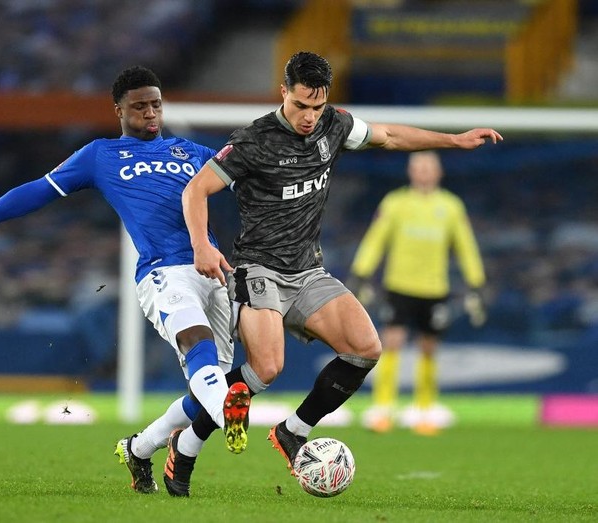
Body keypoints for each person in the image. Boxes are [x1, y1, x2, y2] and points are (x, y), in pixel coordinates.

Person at [0, 66, 251, 496]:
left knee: (208, 385)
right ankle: (227, 412)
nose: (151, 113)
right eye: (140, 106)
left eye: (156, 104)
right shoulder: (101, 156)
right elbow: (36, 190)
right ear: (119, 111)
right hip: (163, 272)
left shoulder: (191, 152)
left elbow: (248, 177)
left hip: (213, 269)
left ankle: (140, 447)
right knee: (197, 345)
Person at [181, 51, 502, 480]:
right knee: (267, 368)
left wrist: (454, 139)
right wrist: (201, 245)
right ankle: (185, 446)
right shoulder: (252, 141)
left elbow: (388, 136)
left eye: (317, 106)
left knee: (366, 348)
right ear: (283, 93)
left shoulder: (336, 124)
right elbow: (196, 190)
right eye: (300, 106)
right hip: (258, 269)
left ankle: (292, 432)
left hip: (309, 271)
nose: (310, 116)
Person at [347, 151, 487, 436]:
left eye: (428, 167)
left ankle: (425, 410)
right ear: (411, 172)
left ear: (438, 172)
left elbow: (465, 245)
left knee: (428, 347)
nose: (423, 172)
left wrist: (476, 281)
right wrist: (361, 272)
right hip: (399, 286)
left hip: (434, 288)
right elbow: (376, 239)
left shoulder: (450, 206)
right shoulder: (396, 203)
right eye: (418, 167)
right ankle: (384, 409)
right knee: (391, 342)